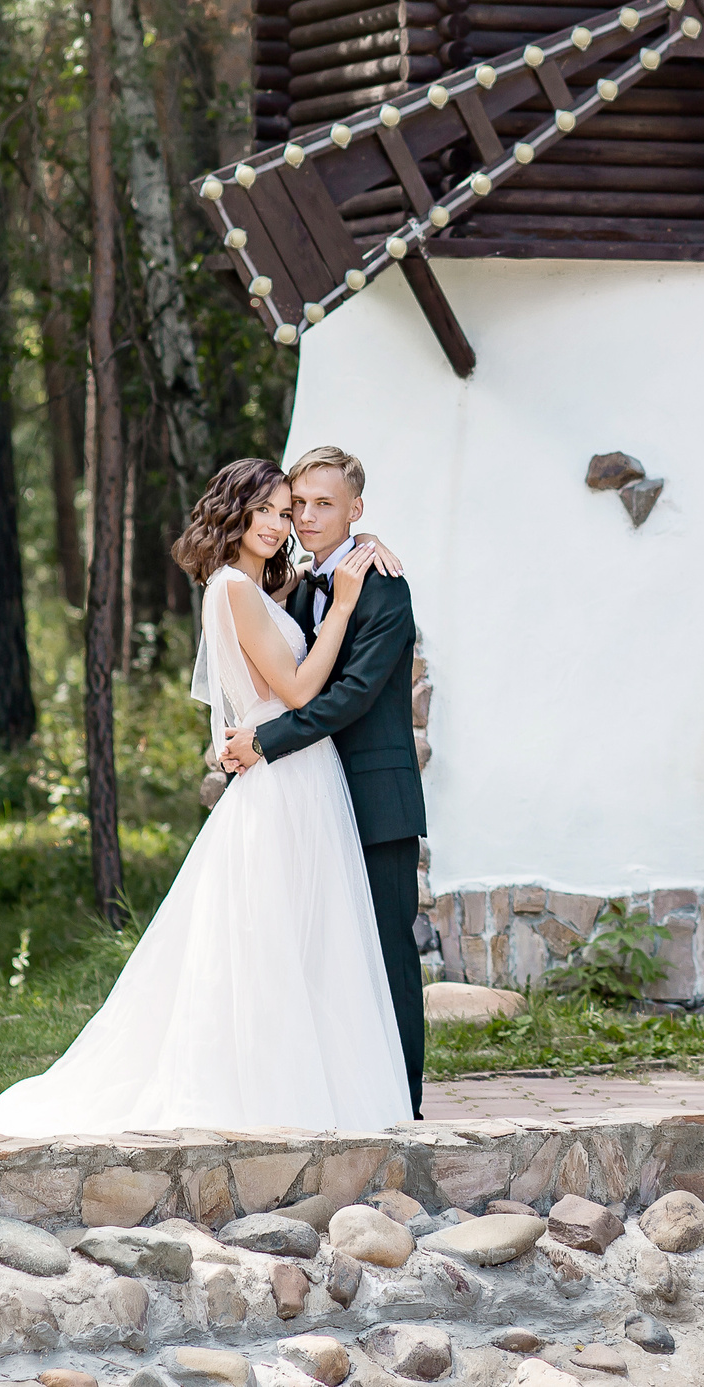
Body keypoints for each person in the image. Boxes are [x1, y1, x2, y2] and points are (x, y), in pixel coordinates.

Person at [0, 458, 412, 1135]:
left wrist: (365, 549)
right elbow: (301, 690)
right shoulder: (239, 588)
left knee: (315, 944)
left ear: (352, 509)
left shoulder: (280, 585)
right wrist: (344, 605)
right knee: (272, 941)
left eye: (289, 510)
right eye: (272, 509)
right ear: (235, 512)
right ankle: (274, 1093)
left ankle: (340, 1091)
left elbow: (315, 670)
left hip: (310, 777)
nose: (285, 522)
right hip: (287, 780)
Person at [219, 444, 429, 1117]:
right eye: (298, 505)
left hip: (376, 800)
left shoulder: (384, 587)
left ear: (355, 509)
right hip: (313, 799)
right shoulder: (305, 586)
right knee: (327, 954)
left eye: (323, 504)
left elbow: (353, 695)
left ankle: (404, 1106)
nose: (306, 517)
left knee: (387, 955)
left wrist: (266, 742)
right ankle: (345, 1097)